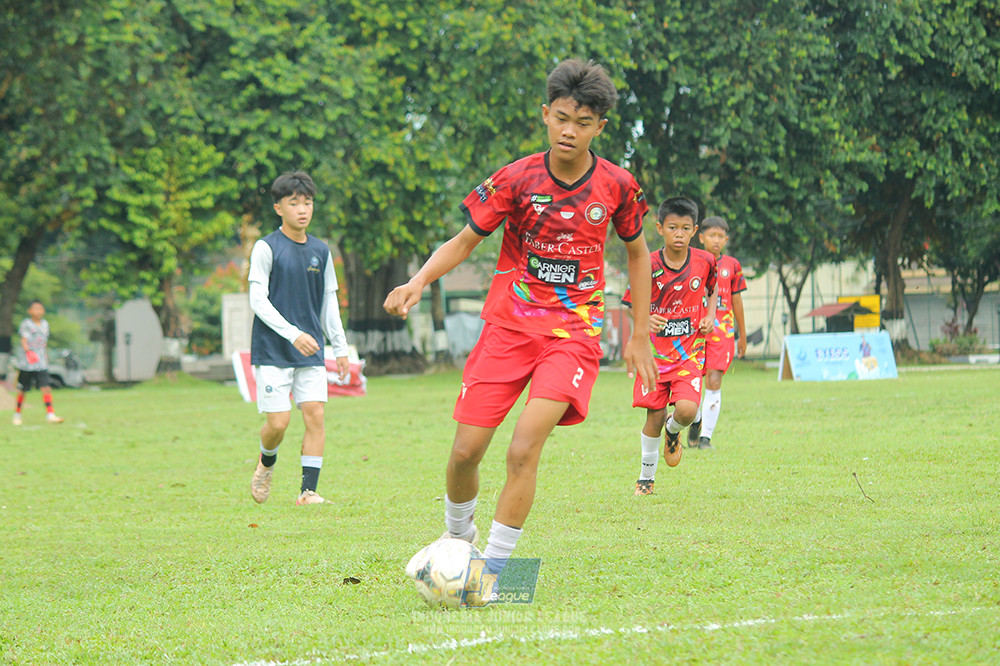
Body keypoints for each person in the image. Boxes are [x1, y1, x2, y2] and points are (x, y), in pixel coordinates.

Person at [384, 59, 658, 583]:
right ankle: (458, 540)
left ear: (600, 126)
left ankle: (496, 575)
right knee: (465, 451)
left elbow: (639, 255)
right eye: (560, 118)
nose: (569, 131)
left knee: (523, 445)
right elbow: (465, 240)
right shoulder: (516, 177)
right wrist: (418, 281)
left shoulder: (619, 186)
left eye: (582, 123)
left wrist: (639, 332)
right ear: (545, 115)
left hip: (573, 336)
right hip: (508, 327)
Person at [248, 171, 350, 506]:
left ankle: (308, 492)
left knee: (315, 415)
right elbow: (257, 301)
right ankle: (267, 461)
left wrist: (341, 348)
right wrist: (293, 334)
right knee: (278, 423)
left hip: (311, 351)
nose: (302, 210)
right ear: (279, 208)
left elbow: (328, 303)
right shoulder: (266, 248)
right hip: (274, 349)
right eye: (294, 204)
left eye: (307, 203)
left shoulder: (321, 251)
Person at [625, 197, 717, 496]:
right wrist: (644, 318)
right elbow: (630, 302)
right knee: (653, 416)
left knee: (688, 410)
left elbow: (712, 289)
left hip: (688, 354)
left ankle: (674, 430)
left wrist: (710, 314)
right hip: (653, 357)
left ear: (694, 231)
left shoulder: (705, 261)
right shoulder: (647, 264)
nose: (679, 233)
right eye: (673, 227)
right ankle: (645, 479)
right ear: (660, 228)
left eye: (685, 228)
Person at [686, 216, 746, 450]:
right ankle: (696, 418)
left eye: (721, 236)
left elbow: (737, 299)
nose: (716, 240)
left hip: (723, 332)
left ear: (726, 239)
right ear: (701, 237)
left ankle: (705, 438)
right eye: (712, 235)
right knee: (692, 379)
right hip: (695, 330)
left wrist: (743, 334)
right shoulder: (691, 261)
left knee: (714, 378)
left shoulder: (732, 265)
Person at [11, 300, 64, 425]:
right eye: (35, 308)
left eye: (40, 308)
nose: (38, 311)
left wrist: (45, 357)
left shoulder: (45, 324)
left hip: (41, 362)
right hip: (27, 363)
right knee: (23, 389)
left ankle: (50, 414)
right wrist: (28, 352)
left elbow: (43, 343)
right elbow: (24, 340)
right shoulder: (26, 324)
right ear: (30, 311)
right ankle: (17, 414)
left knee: (46, 387)